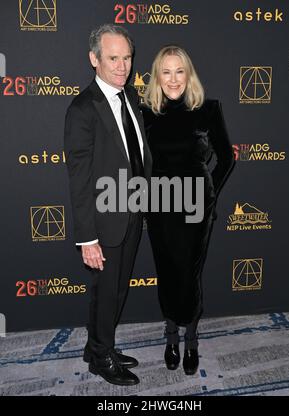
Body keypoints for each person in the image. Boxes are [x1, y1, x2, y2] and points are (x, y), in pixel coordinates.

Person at [64, 24, 152, 386]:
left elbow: (138, 154)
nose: (122, 65)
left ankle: (99, 346)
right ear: (94, 59)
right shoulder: (83, 109)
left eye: (127, 57)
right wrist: (87, 238)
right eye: (113, 58)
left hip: (132, 213)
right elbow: (80, 179)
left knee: (116, 290)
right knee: (106, 293)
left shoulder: (130, 97)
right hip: (104, 221)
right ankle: (100, 359)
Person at [141, 45, 235, 375]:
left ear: (188, 74)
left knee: (190, 273)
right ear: (157, 76)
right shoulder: (145, 112)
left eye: (179, 71)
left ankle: (191, 339)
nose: (173, 78)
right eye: (166, 71)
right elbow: (138, 163)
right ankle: (171, 336)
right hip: (160, 206)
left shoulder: (208, 109)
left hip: (197, 209)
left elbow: (227, 157)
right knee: (167, 271)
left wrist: (210, 195)